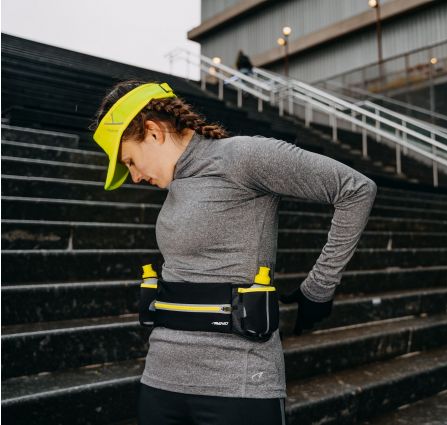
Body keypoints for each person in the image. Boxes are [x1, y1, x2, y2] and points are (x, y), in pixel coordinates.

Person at [89, 80, 377, 425]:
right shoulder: (176, 184)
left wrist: (319, 288)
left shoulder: (243, 157)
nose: (134, 176)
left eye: (131, 162)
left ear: (153, 132)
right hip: (161, 381)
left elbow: (356, 189)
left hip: (238, 385)